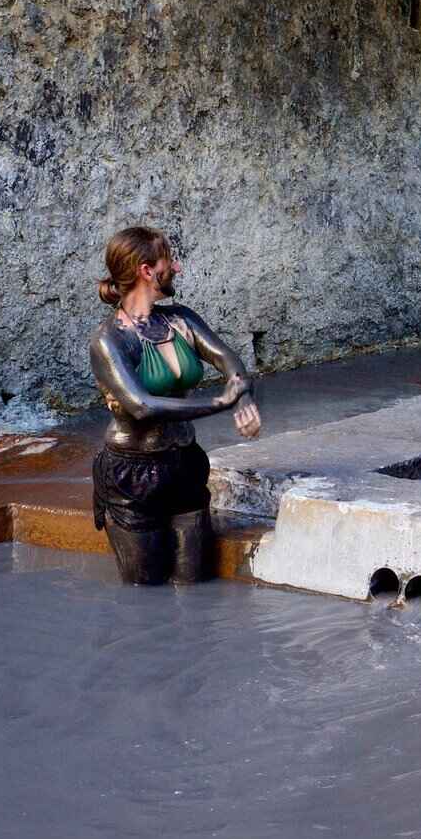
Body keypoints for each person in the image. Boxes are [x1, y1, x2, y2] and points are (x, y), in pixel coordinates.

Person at [88, 227, 262, 585]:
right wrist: (220, 402)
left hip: (184, 463)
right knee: (144, 596)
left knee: (193, 585)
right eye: (170, 261)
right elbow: (142, 407)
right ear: (146, 271)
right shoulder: (109, 340)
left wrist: (242, 400)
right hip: (130, 476)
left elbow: (230, 362)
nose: (178, 268)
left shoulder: (181, 319)